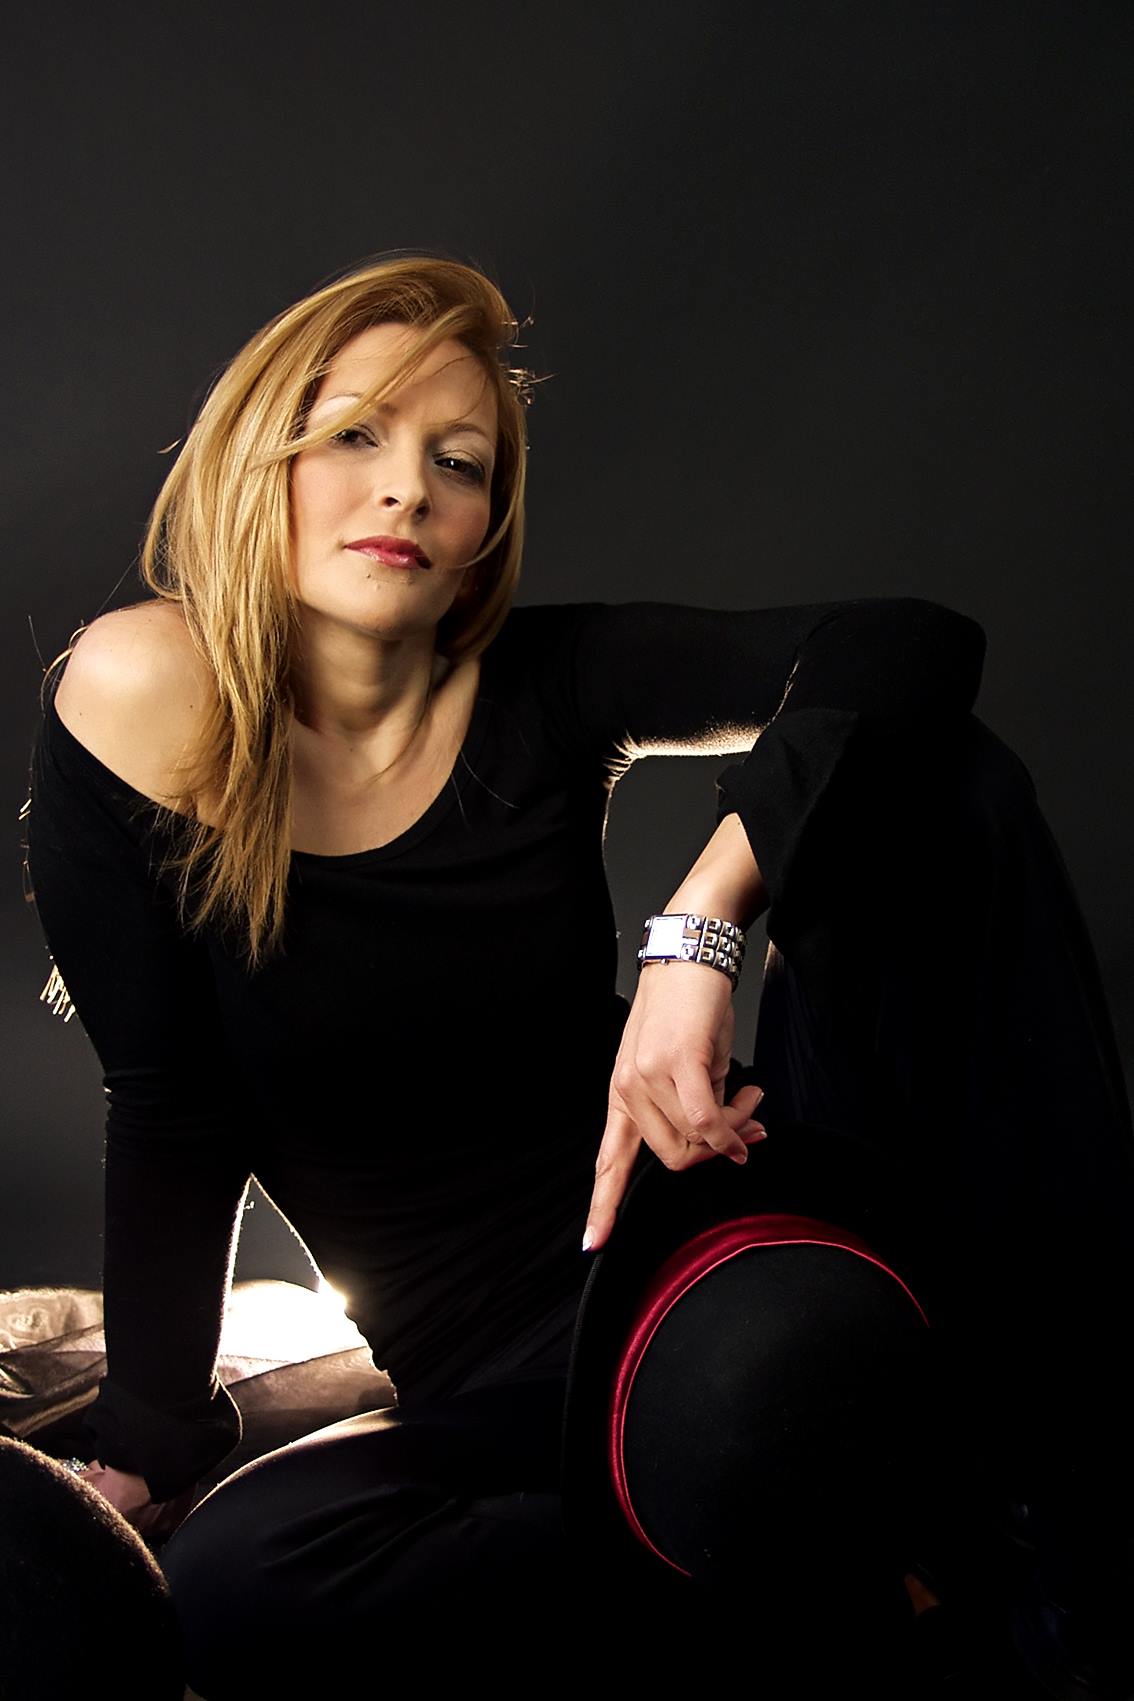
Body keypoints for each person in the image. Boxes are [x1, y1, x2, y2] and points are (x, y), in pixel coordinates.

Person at [20, 251, 1134, 1697]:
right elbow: (171, 1102)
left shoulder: (546, 685)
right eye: (354, 434)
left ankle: (1060, 1475)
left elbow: (905, 642)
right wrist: (147, 1437)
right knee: (243, 1584)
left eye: (457, 461)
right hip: (485, 1379)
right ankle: (852, 1569)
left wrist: (699, 926)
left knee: (935, 783)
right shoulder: (134, 696)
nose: (407, 490)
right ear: (257, 459)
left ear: (485, 525)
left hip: (701, 1249)